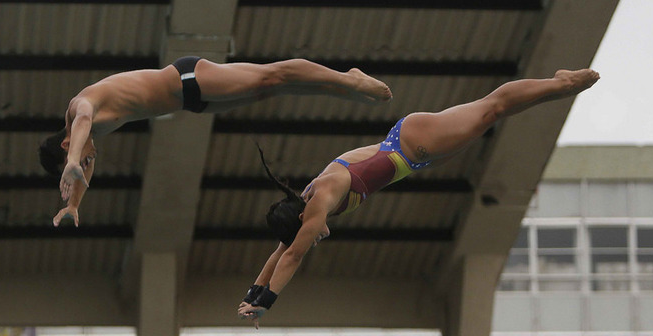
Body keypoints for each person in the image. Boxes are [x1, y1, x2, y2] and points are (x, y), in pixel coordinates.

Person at [238, 68, 600, 328]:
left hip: (413, 143)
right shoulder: (307, 207)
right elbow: (281, 253)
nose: (314, 239)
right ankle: (556, 86)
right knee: (489, 116)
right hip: (413, 157)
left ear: (304, 220)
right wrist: (251, 296)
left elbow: (293, 255)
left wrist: (267, 303)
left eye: (309, 234)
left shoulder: (320, 200)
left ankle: (562, 82)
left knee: (493, 108)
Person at [37, 56, 394, 226]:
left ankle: (348, 79)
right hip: (192, 102)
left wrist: (72, 163)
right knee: (270, 90)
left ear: (66, 145)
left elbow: (82, 121)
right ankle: (340, 88)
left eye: (76, 158)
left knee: (271, 77)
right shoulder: (89, 139)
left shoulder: (80, 107)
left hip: (186, 78)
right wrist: (75, 203)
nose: (86, 161)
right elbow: (87, 163)